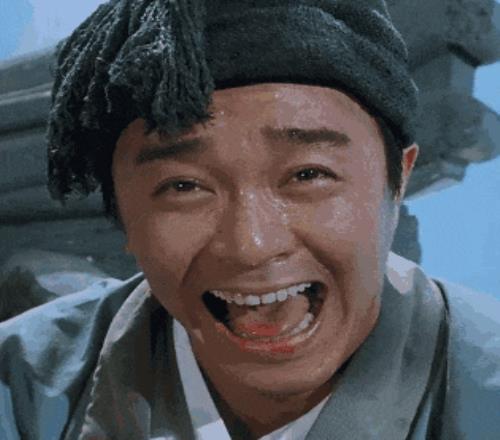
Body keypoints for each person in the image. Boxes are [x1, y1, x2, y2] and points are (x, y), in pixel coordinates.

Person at [1, 0, 499, 439]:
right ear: (120, 212)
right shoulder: (19, 390)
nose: (251, 244)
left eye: (308, 175)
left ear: (399, 179)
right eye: (184, 186)